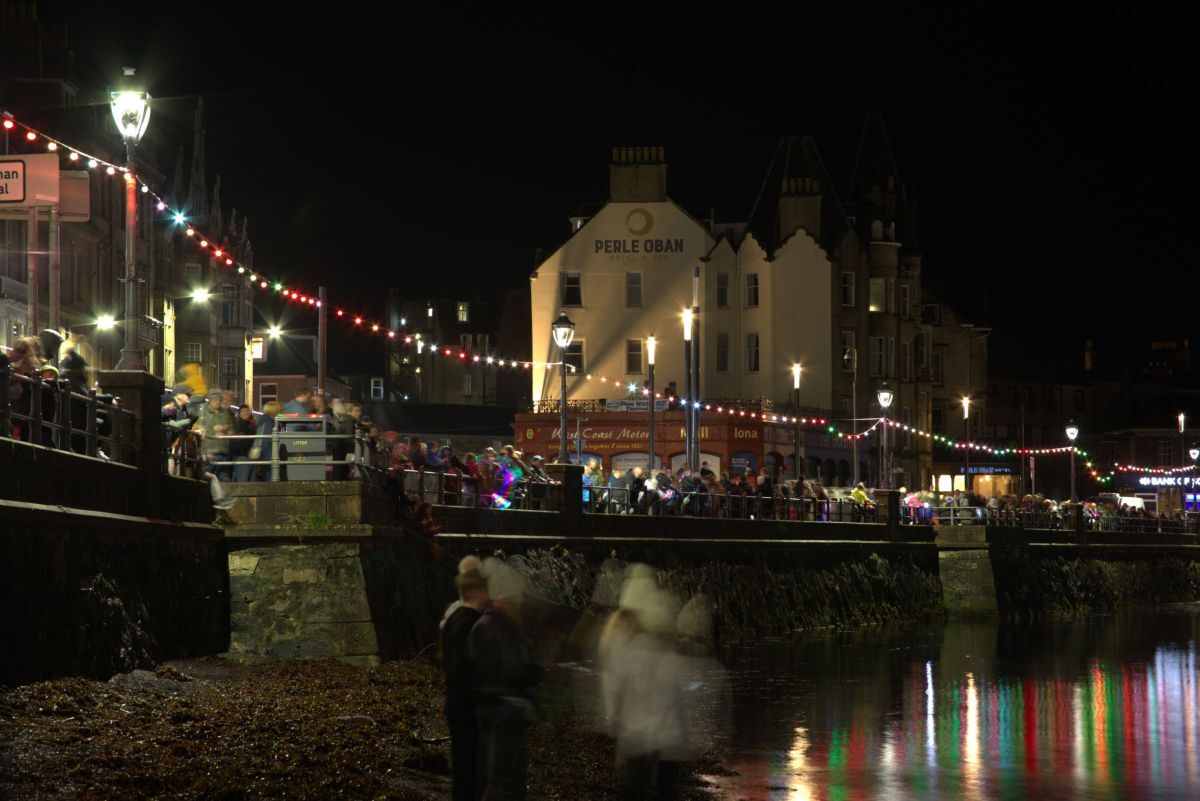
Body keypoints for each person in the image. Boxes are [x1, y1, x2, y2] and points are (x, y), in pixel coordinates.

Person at [469, 559, 541, 801]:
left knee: (499, 775)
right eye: (518, 596)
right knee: (504, 779)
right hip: (503, 709)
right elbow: (512, 667)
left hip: (493, 708)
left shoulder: (485, 623)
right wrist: (532, 673)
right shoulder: (497, 624)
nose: (521, 601)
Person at [442, 558, 489, 801]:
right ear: (477, 591)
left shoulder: (457, 617)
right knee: (468, 771)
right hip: (465, 709)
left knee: (466, 769)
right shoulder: (468, 623)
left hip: (459, 706)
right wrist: (480, 694)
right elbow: (463, 668)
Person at [229, 403, 258, 482]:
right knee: (243, 480)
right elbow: (236, 441)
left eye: (247, 410)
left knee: (251, 480)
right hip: (241, 456)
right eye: (243, 411)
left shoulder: (252, 424)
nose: (245, 413)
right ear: (239, 413)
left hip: (250, 456)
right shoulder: (238, 424)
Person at [329, 398, 355, 480]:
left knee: (339, 470)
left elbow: (348, 439)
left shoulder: (340, 422)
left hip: (340, 450)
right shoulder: (347, 421)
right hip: (341, 450)